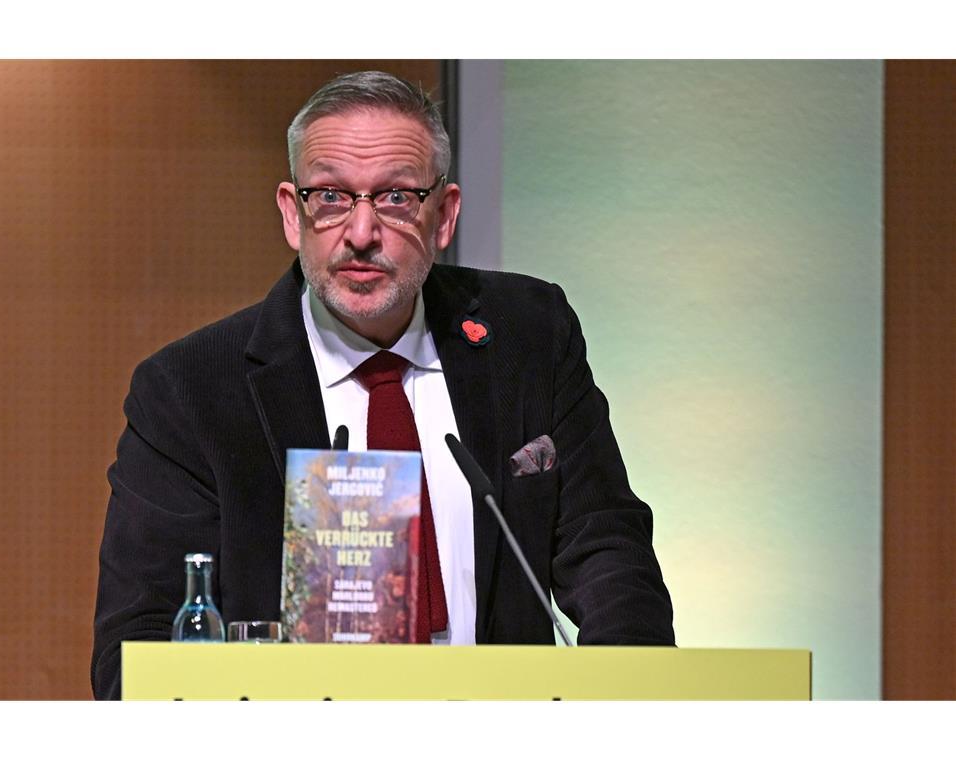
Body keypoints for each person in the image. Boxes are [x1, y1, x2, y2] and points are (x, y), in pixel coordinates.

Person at [91, 71, 674, 700]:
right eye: (332, 197)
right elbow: (138, 649)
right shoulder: (192, 389)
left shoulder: (529, 336)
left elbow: (607, 552)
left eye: (396, 197)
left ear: (444, 214)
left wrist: (631, 712)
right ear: (293, 214)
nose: (362, 234)